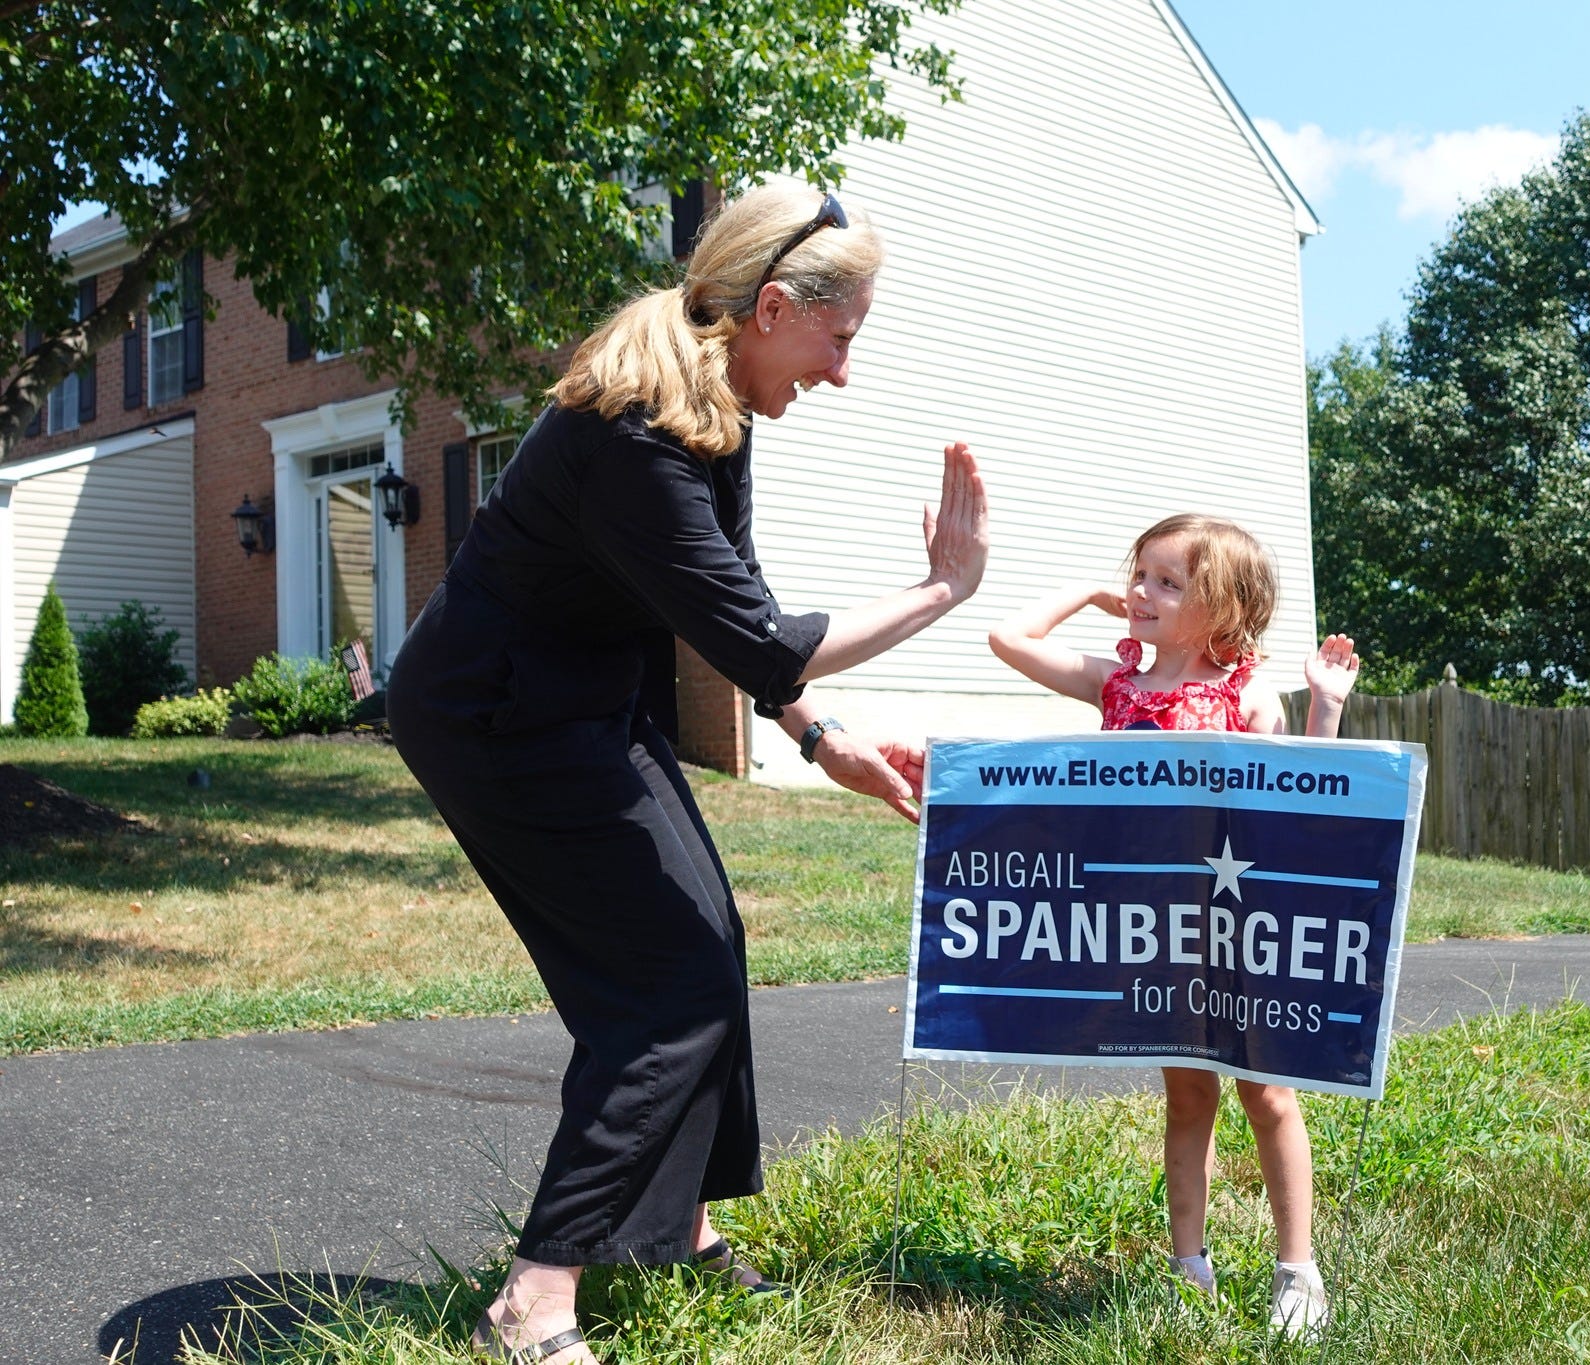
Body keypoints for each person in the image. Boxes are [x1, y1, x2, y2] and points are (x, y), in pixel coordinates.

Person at [387, 182, 988, 1365]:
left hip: (579, 703)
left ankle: (677, 1227)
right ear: (771, 308)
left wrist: (820, 740)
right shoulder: (636, 435)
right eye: (841, 336)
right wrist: (941, 591)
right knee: (664, 991)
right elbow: (759, 640)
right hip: (496, 718)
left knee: (706, 942)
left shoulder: (708, 413)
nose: (843, 369)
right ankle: (534, 1298)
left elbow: (733, 614)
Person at [987, 512, 1358, 1337]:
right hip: (1155, 932)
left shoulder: (1247, 695)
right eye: (1138, 575)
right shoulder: (1115, 685)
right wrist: (1089, 594)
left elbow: (1304, 795)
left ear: (1221, 609)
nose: (1140, 593)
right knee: (1188, 1095)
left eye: (1166, 582)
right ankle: (1189, 1267)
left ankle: (1298, 1269)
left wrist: (1324, 708)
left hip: (1238, 925)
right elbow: (1006, 637)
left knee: (1267, 1092)